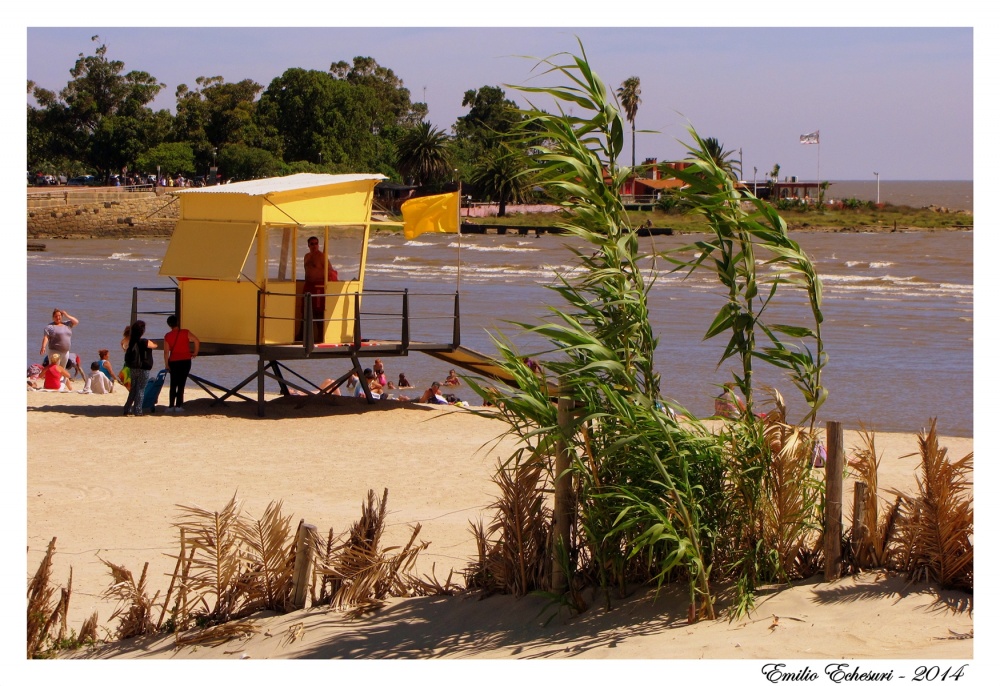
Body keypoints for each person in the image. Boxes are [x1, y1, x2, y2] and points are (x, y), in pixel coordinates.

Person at [163, 315, 200, 412]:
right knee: (181, 383)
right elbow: (196, 340)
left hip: (173, 361)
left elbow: (166, 352)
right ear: (178, 322)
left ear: (169, 325)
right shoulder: (185, 332)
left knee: (173, 383)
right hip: (185, 361)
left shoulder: (167, 336)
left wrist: (166, 364)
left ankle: (171, 406)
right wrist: (195, 352)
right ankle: (179, 406)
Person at [303, 236, 337, 342]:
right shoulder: (306, 256)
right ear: (308, 245)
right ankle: (305, 336)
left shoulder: (322, 257)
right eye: (312, 244)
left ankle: (320, 337)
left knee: (318, 312)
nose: (314, 246)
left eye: (316, 243)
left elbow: (330, 271)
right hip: (308, 286)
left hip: (318, 286)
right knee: (305, 311)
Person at [122, 320, 157, 416]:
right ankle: (138, 410)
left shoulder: (131, 341)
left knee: (133, 389)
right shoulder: (145, 341)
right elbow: (154, 345)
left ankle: (127, 408)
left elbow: (123, 344)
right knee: (141, 389)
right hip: (144, 368)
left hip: (133, 367)